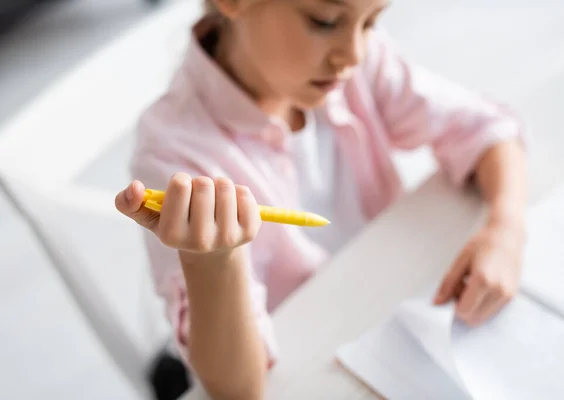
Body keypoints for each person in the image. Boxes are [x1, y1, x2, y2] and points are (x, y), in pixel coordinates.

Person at [114, 0, 527, 398]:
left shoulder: (360, 64)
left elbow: (483, 128)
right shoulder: (174, 151)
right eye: (325, 21)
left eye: (371, 21)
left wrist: (506, 228)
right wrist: (213, 261)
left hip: (383, 307)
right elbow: (238, 389)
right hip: (288, 356)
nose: (353, 54)